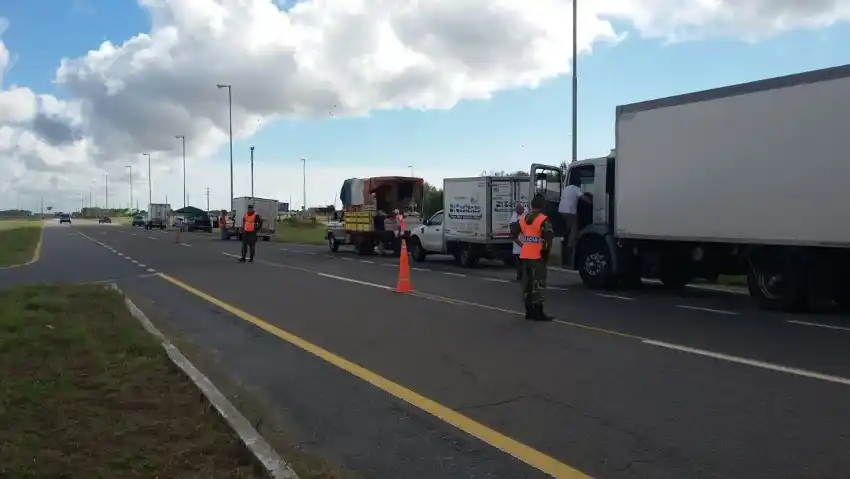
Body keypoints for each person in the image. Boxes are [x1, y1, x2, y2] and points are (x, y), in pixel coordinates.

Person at [512, 194, 554, 321]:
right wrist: (545, 254)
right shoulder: (543, 220)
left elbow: (513, 233)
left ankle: (529, 311)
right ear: (543, 205)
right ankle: (538, 312)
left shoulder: (524, 218)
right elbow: (548, 239)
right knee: (538, 284)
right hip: (537, 257)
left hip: (525, 255)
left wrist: (523, 245)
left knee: (527, 284)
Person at [558, 176, 591, 267]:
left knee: (568, 228)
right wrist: (593, 202)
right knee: (574, 229)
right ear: (578, 183)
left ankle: (565, 239)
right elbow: (583, 198)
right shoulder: (576, 189)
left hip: (561, 210)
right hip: (570, 212)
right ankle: (570, 247)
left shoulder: (566, 188)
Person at [509, 201, 525, 281]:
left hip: (525, 242)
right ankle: (519, 275)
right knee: (518, 261)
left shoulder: (526, 215)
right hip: (517, 244)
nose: (518, 210)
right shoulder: (514, 217)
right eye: (517, 209)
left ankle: (524, 276)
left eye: (520, 208)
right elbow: (512, 231)